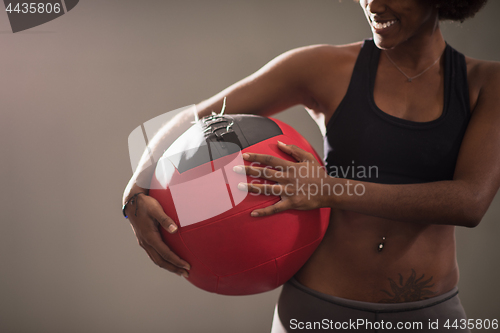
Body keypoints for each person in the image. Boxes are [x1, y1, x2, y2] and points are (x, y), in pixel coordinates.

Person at [122, 0, 500, 331]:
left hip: (429, 316)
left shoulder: (486, 84)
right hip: (317, 310)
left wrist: (329, 189)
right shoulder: (324, 67)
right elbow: (193, 119)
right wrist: (134, 193)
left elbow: (469, 202)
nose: (373, 4)